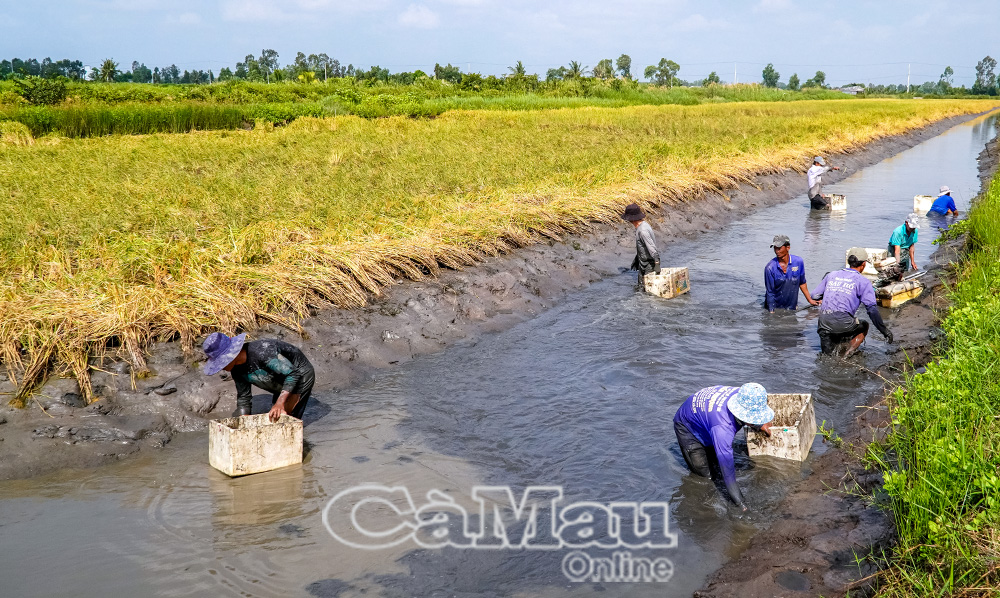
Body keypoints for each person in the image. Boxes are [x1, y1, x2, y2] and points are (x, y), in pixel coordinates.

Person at [673, 383, 775, 511]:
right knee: (705, 476)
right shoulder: (722, 428)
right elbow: (728, 473)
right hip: (687, 426)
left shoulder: (744, 394)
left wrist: (760, 425)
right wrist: (740, 503)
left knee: (715, 461)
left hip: (707, 416)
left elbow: (752, 411)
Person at [203, 332, 315, 422]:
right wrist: (243, 420)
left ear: (231, 356)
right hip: (279, 379)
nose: (221, 368)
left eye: (221, 363)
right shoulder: (236, 370)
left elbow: (293, 374)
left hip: (300, 375)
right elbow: (243, 398)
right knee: (275, 418)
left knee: (287, 419)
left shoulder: (262, 352)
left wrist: (280, 403)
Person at [810, 248, 893, 356]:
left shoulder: (831, 275)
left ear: (849, 262)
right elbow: (872, 310)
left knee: (826, 357)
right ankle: (847, 355)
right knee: (864, 325)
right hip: (843, 323)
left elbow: (814, 296)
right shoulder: (863, 282)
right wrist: (884, 331)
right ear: (863, 264)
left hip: (824, 322)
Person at [764, 234, 820, 312]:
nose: (777, 251)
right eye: (775, 248)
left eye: (779, 248)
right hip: (776, 307)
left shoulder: (798, 262)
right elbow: (770, 292)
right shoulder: (770, 268)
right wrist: (771, 312)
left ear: (788, 247)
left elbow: (802, 282)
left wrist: (810, 300)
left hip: (792, 306)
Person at [622, 203, 660, 283]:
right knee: (641, 287)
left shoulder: (643, 231)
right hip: (643, 263)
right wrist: (637, 259)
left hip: (649, 265)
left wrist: (657, 263)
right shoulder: (642, 226)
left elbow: (651, 247)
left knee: (648, 289)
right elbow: (643, 245)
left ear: (631, 219)